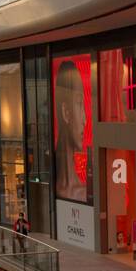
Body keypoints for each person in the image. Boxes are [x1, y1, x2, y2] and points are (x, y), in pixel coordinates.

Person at [53, 59, 89, 202]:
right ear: (66, 112)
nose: (85, 120)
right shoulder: (48, 185)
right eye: (80, 104)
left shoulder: (86, 193)